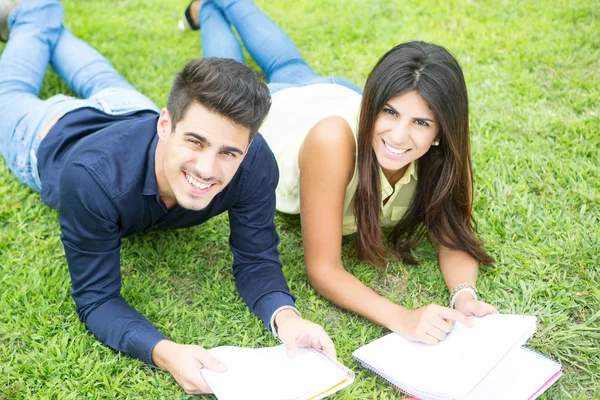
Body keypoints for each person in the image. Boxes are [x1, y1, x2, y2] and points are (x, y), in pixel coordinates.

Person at [0, 0, 336, 395]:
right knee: (12, 88)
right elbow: (96, 299)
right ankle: (34, 9)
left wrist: (287, 318)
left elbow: (257, 260)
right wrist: (166, 352)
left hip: (129, 110)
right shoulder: (92, 180)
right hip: (48, 132)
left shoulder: (254, 162)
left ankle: (35, 15)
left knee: (96, 74)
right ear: (167, 124)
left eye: (229, 152)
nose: (209, 168)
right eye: (195, 142)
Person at [181, 0, 499, 346]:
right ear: (374, 104)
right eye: (390, 112)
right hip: (286, 110)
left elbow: (452, 232)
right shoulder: (332, 142)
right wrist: (402, 318)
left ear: (441, 131)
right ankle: (211, 6)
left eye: (420, 122)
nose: (397, 135)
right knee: (227, 73)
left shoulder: (446, 157)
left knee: (289, 63)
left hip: (336, 94)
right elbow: (323, 270)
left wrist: (464, 297)